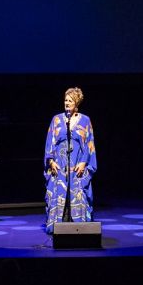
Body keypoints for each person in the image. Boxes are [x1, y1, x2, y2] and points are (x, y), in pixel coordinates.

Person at [44, 86, 96, 233]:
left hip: (78, 164)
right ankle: (57, 226)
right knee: (59, 191)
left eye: (70, 101)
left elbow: (89, 144)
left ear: (76, 103)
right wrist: (51, 160)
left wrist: (83, 162)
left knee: (78, 191)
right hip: (59, 165)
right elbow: (50, 141)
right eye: (65, 100)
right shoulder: (56, 119)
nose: (67, 103)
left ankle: (80, 226)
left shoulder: (85, 120)